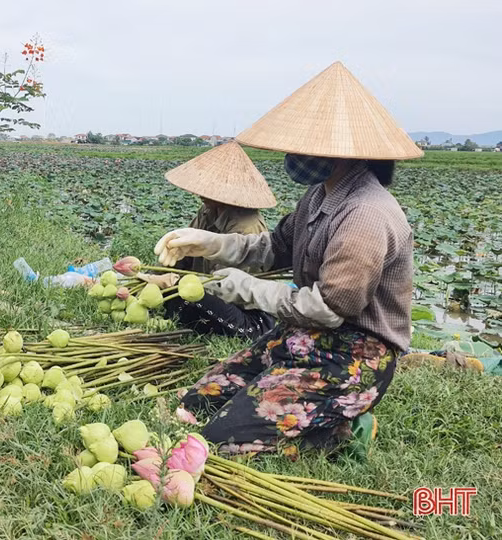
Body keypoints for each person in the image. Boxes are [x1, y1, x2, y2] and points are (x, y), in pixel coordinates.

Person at [155, 61, 422, 458]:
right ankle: (317, 409)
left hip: (355, 355)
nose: (294, 153)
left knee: (223, 436)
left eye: (303, 145)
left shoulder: (366, 214)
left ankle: (340, 424)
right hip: (303, 335)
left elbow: (329, 309)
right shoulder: (318, 196)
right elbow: (271, 248)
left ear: (337, 150)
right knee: (196, 402)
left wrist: (248, 290)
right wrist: (208, 243)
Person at [160, 141, 279, 340]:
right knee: (170, 292)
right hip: (204, 290)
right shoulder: (208, 211)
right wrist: (157, 275)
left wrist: (174, 283)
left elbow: (225, 285)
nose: (199, 193)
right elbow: (185, 255)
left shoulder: (247, 226)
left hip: (245, 312)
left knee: (185, 295)